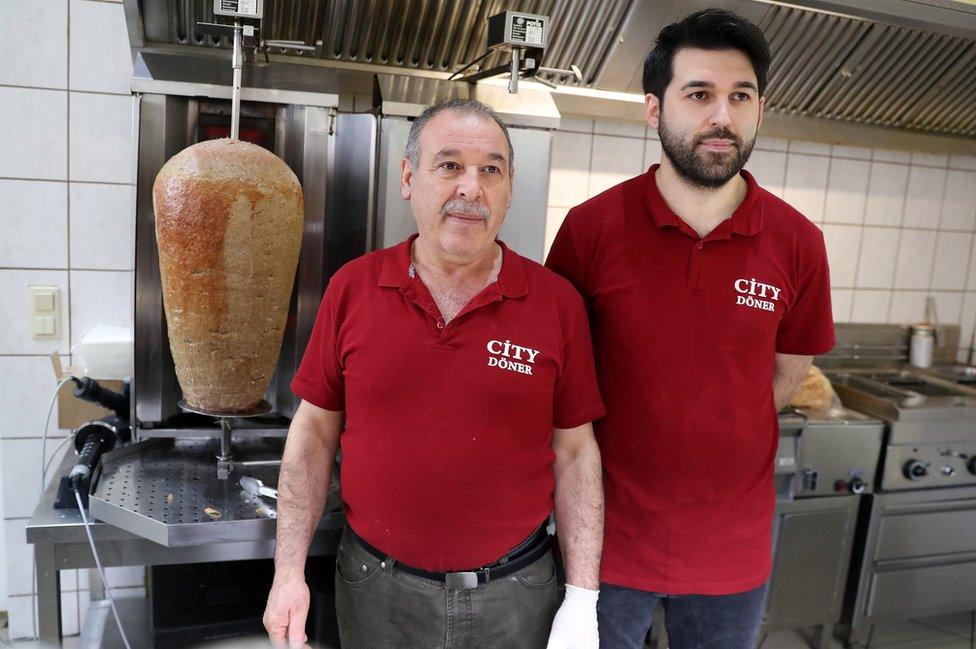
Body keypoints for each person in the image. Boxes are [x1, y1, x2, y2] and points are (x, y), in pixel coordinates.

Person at [263, 98, 606, 649]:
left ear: (509, 187)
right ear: (408, 177)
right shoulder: (353, 289)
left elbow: (576, 452)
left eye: (490, 170)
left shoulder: (556, 304)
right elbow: (313, 434)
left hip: (517, 595)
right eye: (449, 165)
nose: (471, 188)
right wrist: (287, 574)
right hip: (376, 591)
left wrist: (583, 599)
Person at [546, 9, 835, 649]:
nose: (722, 117)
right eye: (699, 95)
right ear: (654, 109)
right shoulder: (591, 230)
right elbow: (559, 375)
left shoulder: (797, 242)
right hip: (603, 543)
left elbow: (790, 368)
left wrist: (720, 415)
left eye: (741, 96)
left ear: (761, 108)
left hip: (730, 550)